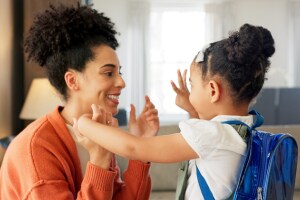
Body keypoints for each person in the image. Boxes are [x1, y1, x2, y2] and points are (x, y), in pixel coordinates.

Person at [73, 23, 275, 199]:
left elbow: (133, 148)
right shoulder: (243, 130)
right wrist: (190, 105)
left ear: (213, 90)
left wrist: (84, 123)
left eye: (193, 85)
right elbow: (211, 141)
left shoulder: (211, 136)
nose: (190, 92)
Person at [0, 4, 159, 200]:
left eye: (120, 72)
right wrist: (100, 160)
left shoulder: (98, 130)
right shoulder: (36, 148)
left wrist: (141, 149)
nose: (121, 82)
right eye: (109, 73)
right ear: (72, 80)